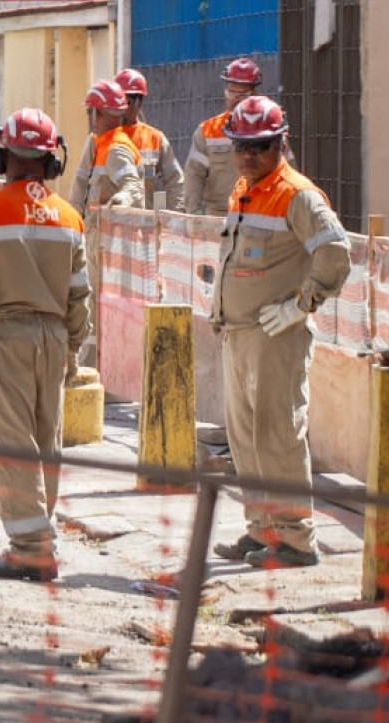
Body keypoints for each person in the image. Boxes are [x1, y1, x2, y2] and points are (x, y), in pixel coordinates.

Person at [0, 107, 88, 582]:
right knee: (45, 442)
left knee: (11, 443)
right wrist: (73, 349)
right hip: (52, 338)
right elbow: (79, 295)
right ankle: (40, 536)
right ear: (52, 162)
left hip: (1, 336)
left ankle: (30, 548)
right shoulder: (69, 216)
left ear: (1, 156)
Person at [209, 96, 350, 569]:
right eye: (241, 147)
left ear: (281, 143)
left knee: (278, 437)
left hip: (276, 336)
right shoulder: (244, 190)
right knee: (245, 437)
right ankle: (261, 529)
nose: (248, 156)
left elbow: (336, 252)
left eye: (260, 147)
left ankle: (296, 539)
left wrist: (301, 305)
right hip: (239, 334)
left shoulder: (297, 195)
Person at [75, 78, 144, 369]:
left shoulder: (115, 149)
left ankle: (104, 372)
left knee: (102, 309)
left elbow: (133, 185)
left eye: (91, 112)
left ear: (99, 114)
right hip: (97, 243)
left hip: (110, 249)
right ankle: (94, 369)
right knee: (94, 306)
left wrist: (121, 202)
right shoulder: (100, 144)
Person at [182, 57, 264, 216]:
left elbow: (286, 171)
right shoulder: (207, 131)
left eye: (243, 94)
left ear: (254, 94)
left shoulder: (268, 130)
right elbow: (194, 175)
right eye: (232, 92)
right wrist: (194, 216)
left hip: (258, 213)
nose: (236, 99)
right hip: (219, 217)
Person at [114, 68, 184, 210]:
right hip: (110, 224)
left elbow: (175, 182)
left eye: (125, 102)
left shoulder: (155, 139)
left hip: (144, 225)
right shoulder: (101, 138)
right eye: (117, 101)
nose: (120, 108)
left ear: (138, 103)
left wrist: (174, 220)